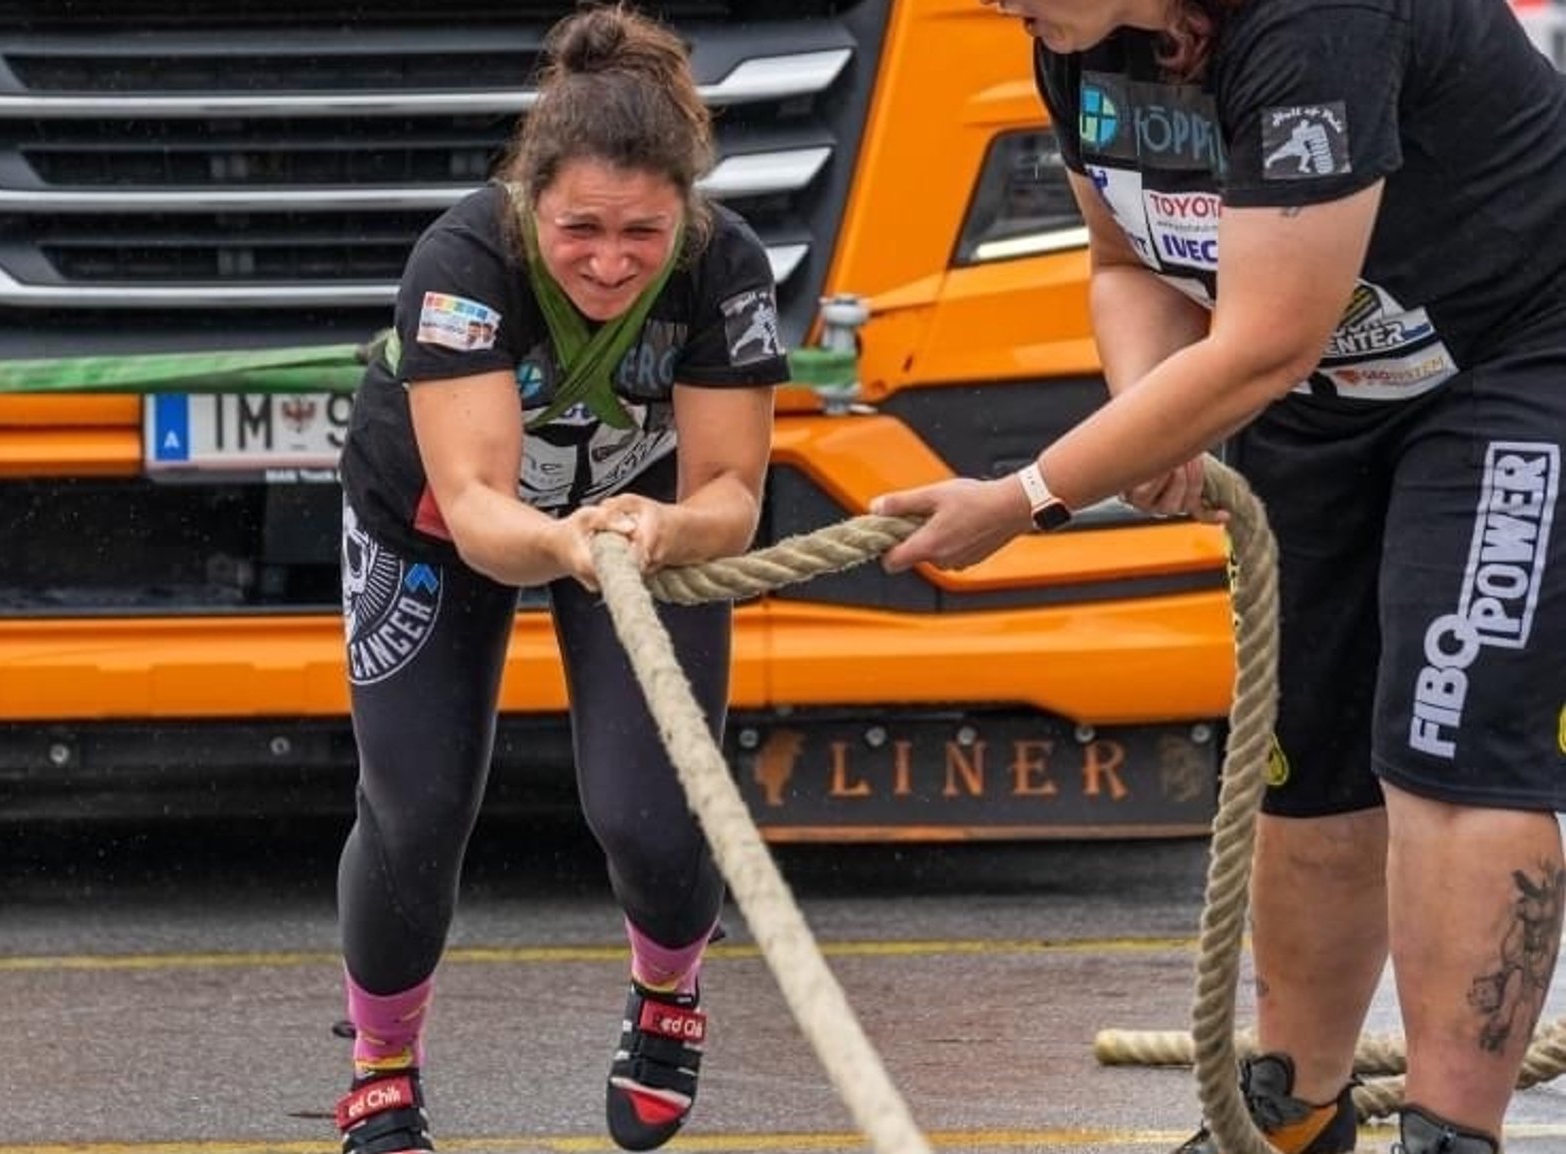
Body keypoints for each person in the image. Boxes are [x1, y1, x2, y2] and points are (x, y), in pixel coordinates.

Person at [868, 0, 1566, 1150]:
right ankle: (1296, 1106)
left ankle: (1450, 1128)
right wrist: (1155, 412)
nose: (998, 3)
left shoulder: (1312, 22)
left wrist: (1024, 496)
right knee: (1302, 750)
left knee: (1451, 735)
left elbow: (1263, 339)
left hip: (1512, 359)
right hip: (1325, 391)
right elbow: (1118, 262)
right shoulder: (1074, 43)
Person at [329, 5, 788, 1152]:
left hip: (646, 520)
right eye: (579, 227)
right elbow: (482, 509)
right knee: (417, 808)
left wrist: (657, 527)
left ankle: (668, 989)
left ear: (685, 212)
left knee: (647, 809)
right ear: (530, 200)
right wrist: (574, 542)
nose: (609, 259)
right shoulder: (461, 261)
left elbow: (732, 494)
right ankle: (381, 1061)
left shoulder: (724, 267)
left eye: (642, 230)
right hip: (439, 519)